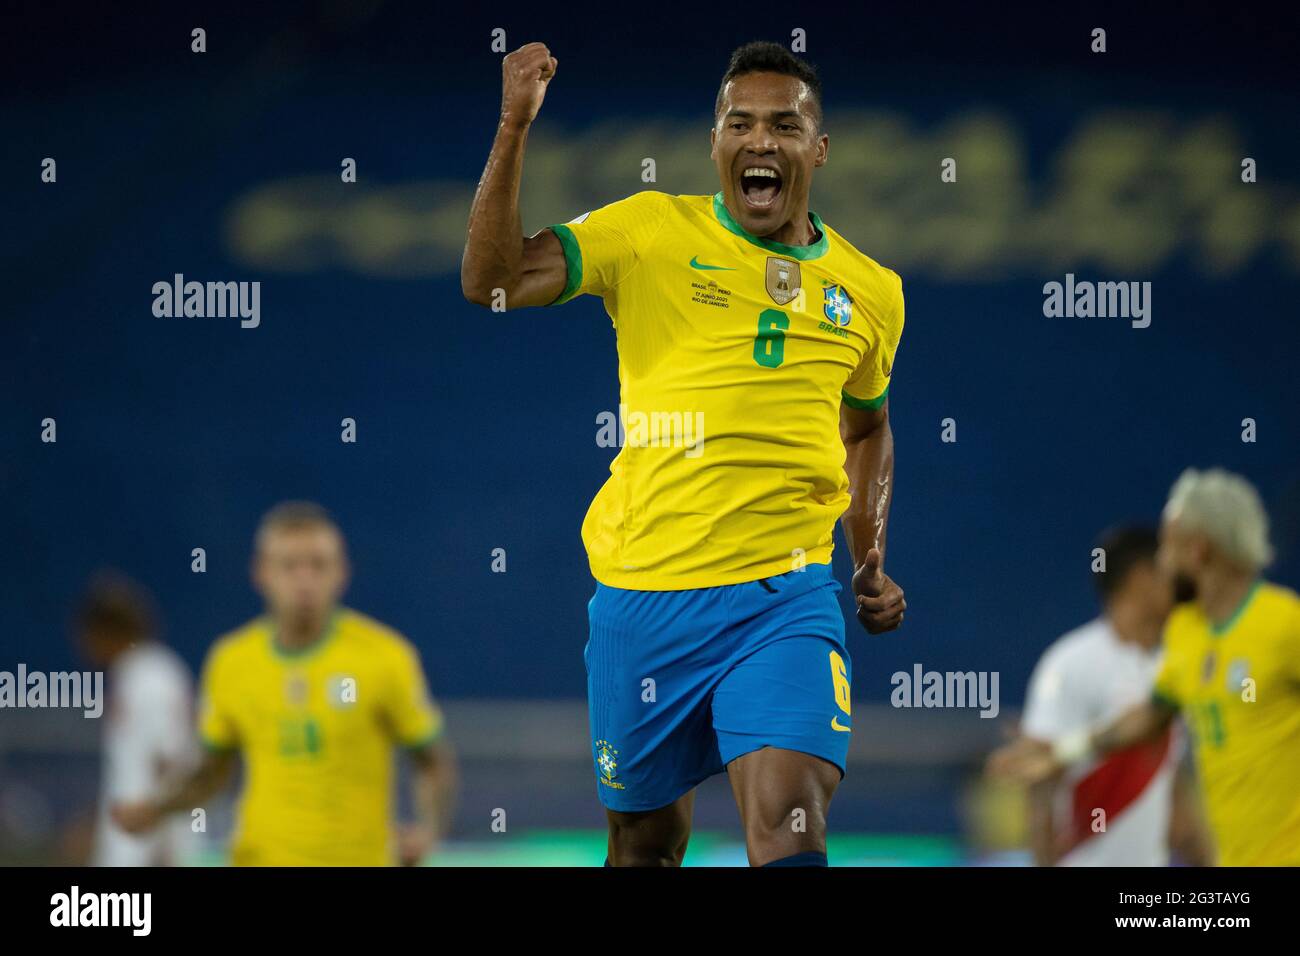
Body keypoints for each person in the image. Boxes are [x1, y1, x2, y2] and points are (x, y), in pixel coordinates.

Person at [462, 41, 906, 866]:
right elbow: (490, 281)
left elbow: (868, 425)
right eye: (741, 124)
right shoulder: (650, 231)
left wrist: (868, 553)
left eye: (785, 125)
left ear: (819, 149)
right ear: (715, 143)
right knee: (644, 846)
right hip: (645, 598)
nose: (761, 142)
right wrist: (513, 126)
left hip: (786, 595)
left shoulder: (872, 291)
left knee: (789, 820)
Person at [113, 502, 458, 865]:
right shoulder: (231, 661)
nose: (305, 580)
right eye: (290, 566)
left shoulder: (385, 658)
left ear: (342, 573)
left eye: (318, 565)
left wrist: (429, 830)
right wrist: (156, 808)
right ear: (261, 572)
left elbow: (431, 760)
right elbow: (211, 770)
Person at [990, 469, 1300, 866]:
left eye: (1169, 545)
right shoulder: (1187, 636)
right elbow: (1152, 714)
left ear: (1199, 550)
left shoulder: (1284, 624)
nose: (1163, 560)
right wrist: (1064, 751)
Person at [76, 572, 194, 866]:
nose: (83, 644)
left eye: (87, 633)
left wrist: (168, 851)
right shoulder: (134, 674)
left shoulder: (152, 677)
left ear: (107, 630)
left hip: (145, 851)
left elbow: (171, 766)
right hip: (130, 846)